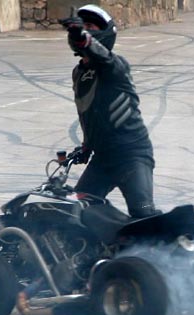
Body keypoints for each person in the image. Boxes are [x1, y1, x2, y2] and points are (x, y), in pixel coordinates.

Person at [60, 4, 158, 218]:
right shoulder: (79, 72)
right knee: (78, 211)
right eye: (81, 25)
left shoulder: (115, 66)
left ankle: (180, 246)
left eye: (90, 26)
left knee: (143, 213)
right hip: (102, 159)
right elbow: (87, 111)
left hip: (132, 155)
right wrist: (86, 147)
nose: (84, 29)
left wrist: (81, 36)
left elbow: (103, 57)